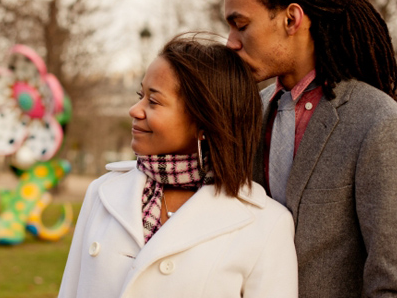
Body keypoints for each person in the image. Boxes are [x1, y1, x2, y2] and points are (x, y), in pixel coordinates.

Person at [224, 0, 397, 297]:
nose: (230, 41)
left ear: (292, 19)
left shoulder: (381, 127)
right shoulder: (247, 115)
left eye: (240, 25)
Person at [58, 33, 298, 297]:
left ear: (205, 122)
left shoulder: (266, 224)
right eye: (141, 95)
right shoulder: (102, 193)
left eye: (153, 101)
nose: (135, 110)